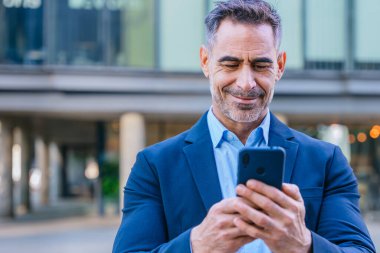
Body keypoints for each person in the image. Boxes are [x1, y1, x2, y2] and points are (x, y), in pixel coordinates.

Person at [113, 0, 375, 252]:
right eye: (230, 64)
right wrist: (197, 246)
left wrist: (304, 246)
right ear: (206, 62)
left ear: (280, 66)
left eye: (261, 65)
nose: (246, 82)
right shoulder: (155, 166)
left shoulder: (327, 161)